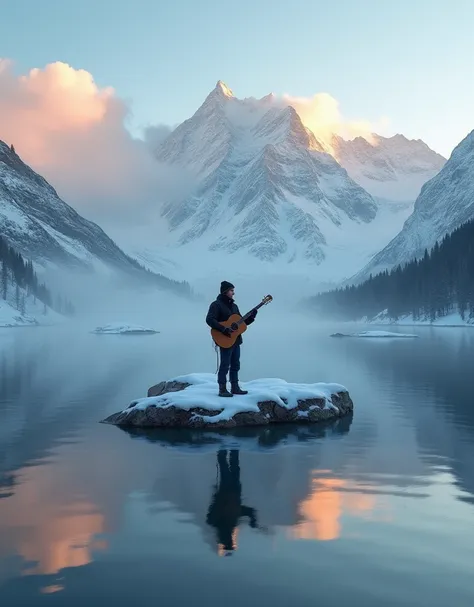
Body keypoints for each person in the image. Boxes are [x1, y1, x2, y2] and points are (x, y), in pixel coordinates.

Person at [206, 281, 257, 397]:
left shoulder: (234, 306)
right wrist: (224, 329)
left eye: (233, 290)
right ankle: (222, 389)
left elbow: (241, 324)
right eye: (231, 290)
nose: (233, 293)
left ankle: (235, 387)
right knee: (225, 364)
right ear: (225, 291)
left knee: (235, 364)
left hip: (236, 340)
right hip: (224, 339)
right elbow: (210, 319)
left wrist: (251, 317)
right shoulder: (216, 305)